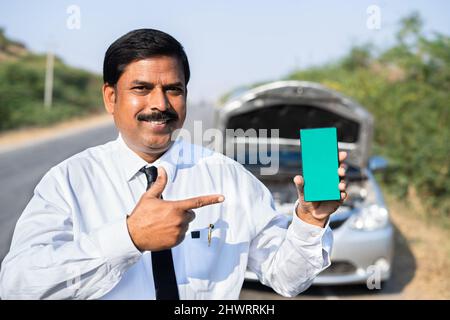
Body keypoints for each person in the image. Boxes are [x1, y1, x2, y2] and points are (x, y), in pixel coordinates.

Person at [0, 29, 347, 299]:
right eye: (142, 88)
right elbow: (17, 287)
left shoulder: (230, 179)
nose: (160, 103)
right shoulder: (69, 182)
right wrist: (128, 238)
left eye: (174, 89)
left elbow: (286, 279)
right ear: (111, 97)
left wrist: (311, 220)